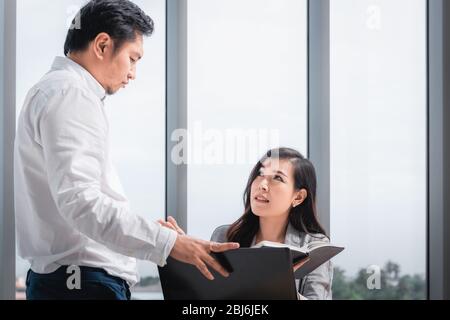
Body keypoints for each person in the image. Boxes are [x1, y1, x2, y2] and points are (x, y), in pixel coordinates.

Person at [14, 0, 238, 300]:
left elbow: (77, 201)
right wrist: (168, 243)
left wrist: (145, 231)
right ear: (103, 45)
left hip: (70, 282)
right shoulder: (71, 94)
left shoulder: (55, 91)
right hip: (82, 285)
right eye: (133, 58)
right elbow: (81, 203)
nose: (133, 73)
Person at [161, 148, 333, 300]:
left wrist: (280, 287)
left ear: (298, 197)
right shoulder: (225, 236)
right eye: (260, 174)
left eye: (277, 178)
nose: (262, 185)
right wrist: (184, 258)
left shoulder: (314, 246)